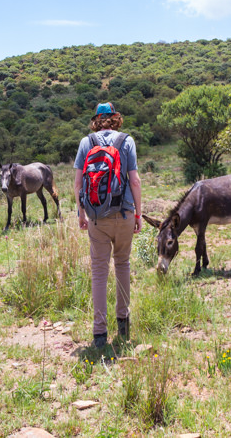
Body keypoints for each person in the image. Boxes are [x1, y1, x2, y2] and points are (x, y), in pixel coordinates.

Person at [74, 102, 143, 349]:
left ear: (96, 119)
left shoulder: (86, 143)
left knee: (99, 272)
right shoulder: (127, 141)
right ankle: (123, 322)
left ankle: (99, 333)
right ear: (114, 118)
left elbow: (79, 184)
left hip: (96, 216)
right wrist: (139, 214)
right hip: (124, 213)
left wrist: (80, 213)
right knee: (123, 264)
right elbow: (134, 181)